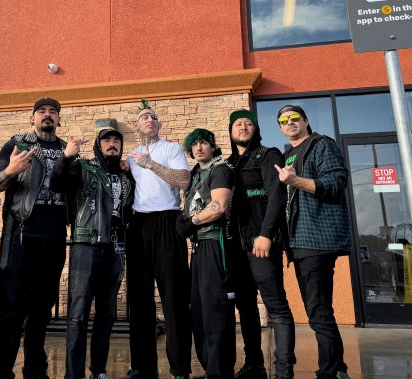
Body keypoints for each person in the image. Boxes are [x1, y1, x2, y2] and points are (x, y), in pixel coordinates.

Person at [0, 97, 68, 379]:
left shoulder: (67, 150)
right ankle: (1, 369)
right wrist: (11, 170)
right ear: (32, 119)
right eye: (42, 112)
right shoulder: (16, 144)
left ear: (59, 120)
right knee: (11, 307)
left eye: (53, 113)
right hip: (20, 235)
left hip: (55, 238)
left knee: (42, 309)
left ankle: (35, 368)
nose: (47, 115)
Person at [51, 122, 134, 379]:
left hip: (115, 248)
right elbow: (57, 182)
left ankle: (98, 370)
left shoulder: (126, 175)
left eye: (117, 141)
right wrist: (66, 157)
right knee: (78, 313)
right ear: (100, 145)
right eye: (107, 141)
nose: (113, 145)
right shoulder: (84, 167)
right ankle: (73, 374)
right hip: (86, 245)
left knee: (107, 313)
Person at [274, 105, 351, 379]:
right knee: (318, 311)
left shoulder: (321, 145)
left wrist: (296, 181)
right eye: (284, 121)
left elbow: (336, 183)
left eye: (295, 118)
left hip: (316, 240)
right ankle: (339, 369)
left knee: (318, 313)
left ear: (306, 120)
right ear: (280, 127)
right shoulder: (287, 155)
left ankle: (328, 373)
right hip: (299, 244)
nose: (290, 122)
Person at [124, 100, 192, 379]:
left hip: (167, 221)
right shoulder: (129, 156)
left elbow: (183, 181)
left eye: (153, 116)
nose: (149, 119)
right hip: (139, 226)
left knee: (174, 297)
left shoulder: (171, 148)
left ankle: (179, 369)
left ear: (159, 124)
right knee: (139, 300)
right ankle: (142, 366)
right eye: (143, 116)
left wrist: (150, 164)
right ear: (136, 126)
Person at [226, 110, 295, 379]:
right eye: (238, 124)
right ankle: (254, 364)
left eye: (248, 123)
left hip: (261, 242)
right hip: (236, 247)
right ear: (231, 131)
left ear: (255, 129)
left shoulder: (269, 155)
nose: (243, 127)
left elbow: (277, 195)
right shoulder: (228, 163)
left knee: (275, 306)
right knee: (245, 306)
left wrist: (266, 234)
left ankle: (283, 370)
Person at [177, 129, 236, 379]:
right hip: (198, 248)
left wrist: (190, 221)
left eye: (204, 143)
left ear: (212, 146)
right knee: (199, 314)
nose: (199, 148)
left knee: (215, 312)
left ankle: (220, 373)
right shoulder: (195, 174)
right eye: (194, 145)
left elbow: (219, 206)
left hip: (215, 243)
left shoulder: (219, 169)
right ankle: (210, 369)